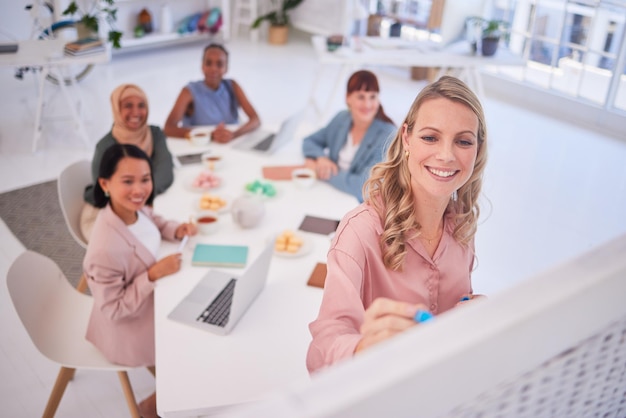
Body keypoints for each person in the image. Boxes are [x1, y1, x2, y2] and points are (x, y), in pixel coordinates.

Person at [306, 76, 488, 373]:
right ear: (406, 139)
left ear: (477, 150)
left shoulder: (463, 225)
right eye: (430, 137)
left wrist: (472, 312)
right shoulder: (360, 231)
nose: (446, 155)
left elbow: (449, 315)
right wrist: (363, 348)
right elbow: (319, 355)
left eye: (463, 141)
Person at [83, 143, 197, 417]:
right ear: (105, 184)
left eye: (145, 179)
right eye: (128, 181)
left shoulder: (132, 208)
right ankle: (149, 409)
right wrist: (152, 274)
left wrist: (175, 229)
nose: (139, 190)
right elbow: (113, 309)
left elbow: (154, 221)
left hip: (156, 296)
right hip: (129, 326)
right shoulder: (103, 249)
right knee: (195, 346)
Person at [81, 83, 174, 241]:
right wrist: (141, 195)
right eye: (128, 106)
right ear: (116, 109)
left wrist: (142, 195)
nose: (136, 112)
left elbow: (165, 172)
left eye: (141, 105)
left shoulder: (154, 134)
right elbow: (104, 191)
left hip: (140, 206)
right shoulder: (105, 147)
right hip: (113, 214)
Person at [302, 70, 396, 202]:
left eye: (373, 97)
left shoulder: (388, 136)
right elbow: (310, 141)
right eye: (361, 97)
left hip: (360, 204)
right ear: (348, 98)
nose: (367, 104)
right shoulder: (341, 118)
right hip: (332, 193)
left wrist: (321, 171)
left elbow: (364, 186)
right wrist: (321, 158)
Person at [164, 43, 260, 143]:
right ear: (202, 66)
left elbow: (255, 119)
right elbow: (169, 128)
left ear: (226, 68)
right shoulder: (189, 92)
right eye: (208, 63)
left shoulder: (232, 86)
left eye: (219, 64)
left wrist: (234, 135)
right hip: (201, 146)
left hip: (230, 144)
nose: (213, 69)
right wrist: (209, 135)